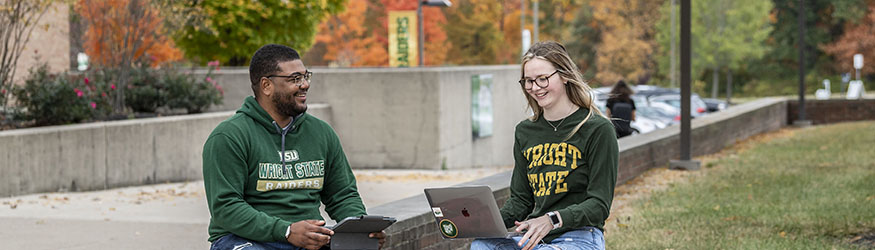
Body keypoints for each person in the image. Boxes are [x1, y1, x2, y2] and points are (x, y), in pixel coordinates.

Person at [202, 44, 385, 250]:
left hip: (309, 240)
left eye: (306, 77)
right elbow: (226, 208)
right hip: (245, 240)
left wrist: (360, 230)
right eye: (295, 79)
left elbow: (342, 195)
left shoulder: (321, 133)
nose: (305, 84)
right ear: (266, 86)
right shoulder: (230, 136)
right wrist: (286, 231)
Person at [470, 41, 618, 250]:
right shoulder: (525, 131)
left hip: (580, 236)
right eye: (528, 81)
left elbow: (599, 205)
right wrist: (483, 223)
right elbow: (521, 202)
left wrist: (551, 220)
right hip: (534, 237)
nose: (535, 87)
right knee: (482, 245)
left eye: (543, 79)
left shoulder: (597, 129)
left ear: (565, 75)